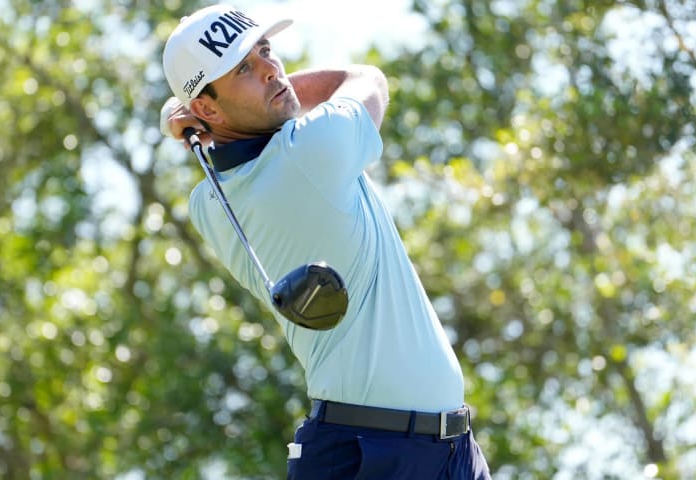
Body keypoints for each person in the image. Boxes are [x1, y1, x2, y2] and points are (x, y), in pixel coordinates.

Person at [160, 4, 491, 479]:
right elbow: (364, 78)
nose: (273, 70)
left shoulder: (209, 203)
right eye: (245, 69)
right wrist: (199, 114)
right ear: (207, 108)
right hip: (376, 455)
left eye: (266, 52)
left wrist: (203, 116)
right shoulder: (311, 150)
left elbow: (237, 132)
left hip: (436, 448)